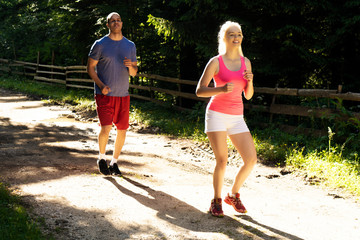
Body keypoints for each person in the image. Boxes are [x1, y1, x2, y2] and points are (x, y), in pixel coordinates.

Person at [196, 21, 257, 217]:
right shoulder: (216, 62)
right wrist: (220, 89)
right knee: (222, 160)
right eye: (231, 34)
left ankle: (233, 194)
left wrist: (250, 81)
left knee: (251, 159)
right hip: (216, 115)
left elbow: (248, 95)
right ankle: (216, 200)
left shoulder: (246, 62)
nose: (236, 37)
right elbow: (199, 91)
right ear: (225, 37)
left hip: (237, 116)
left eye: (238, 33)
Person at [87, 12, 138, 176]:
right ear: (108, 24)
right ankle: (102, 158)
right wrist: (101, 85)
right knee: (106, 127)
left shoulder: (130, 45)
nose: (116, 23)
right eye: (112, 21)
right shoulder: (100, 44)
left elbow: (134, 73)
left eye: (118, 20)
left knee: (122, 129)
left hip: (123, 95)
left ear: (121, 23)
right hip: (104, 95)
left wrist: (131, 66)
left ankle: (114, 162)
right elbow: (90, 68)